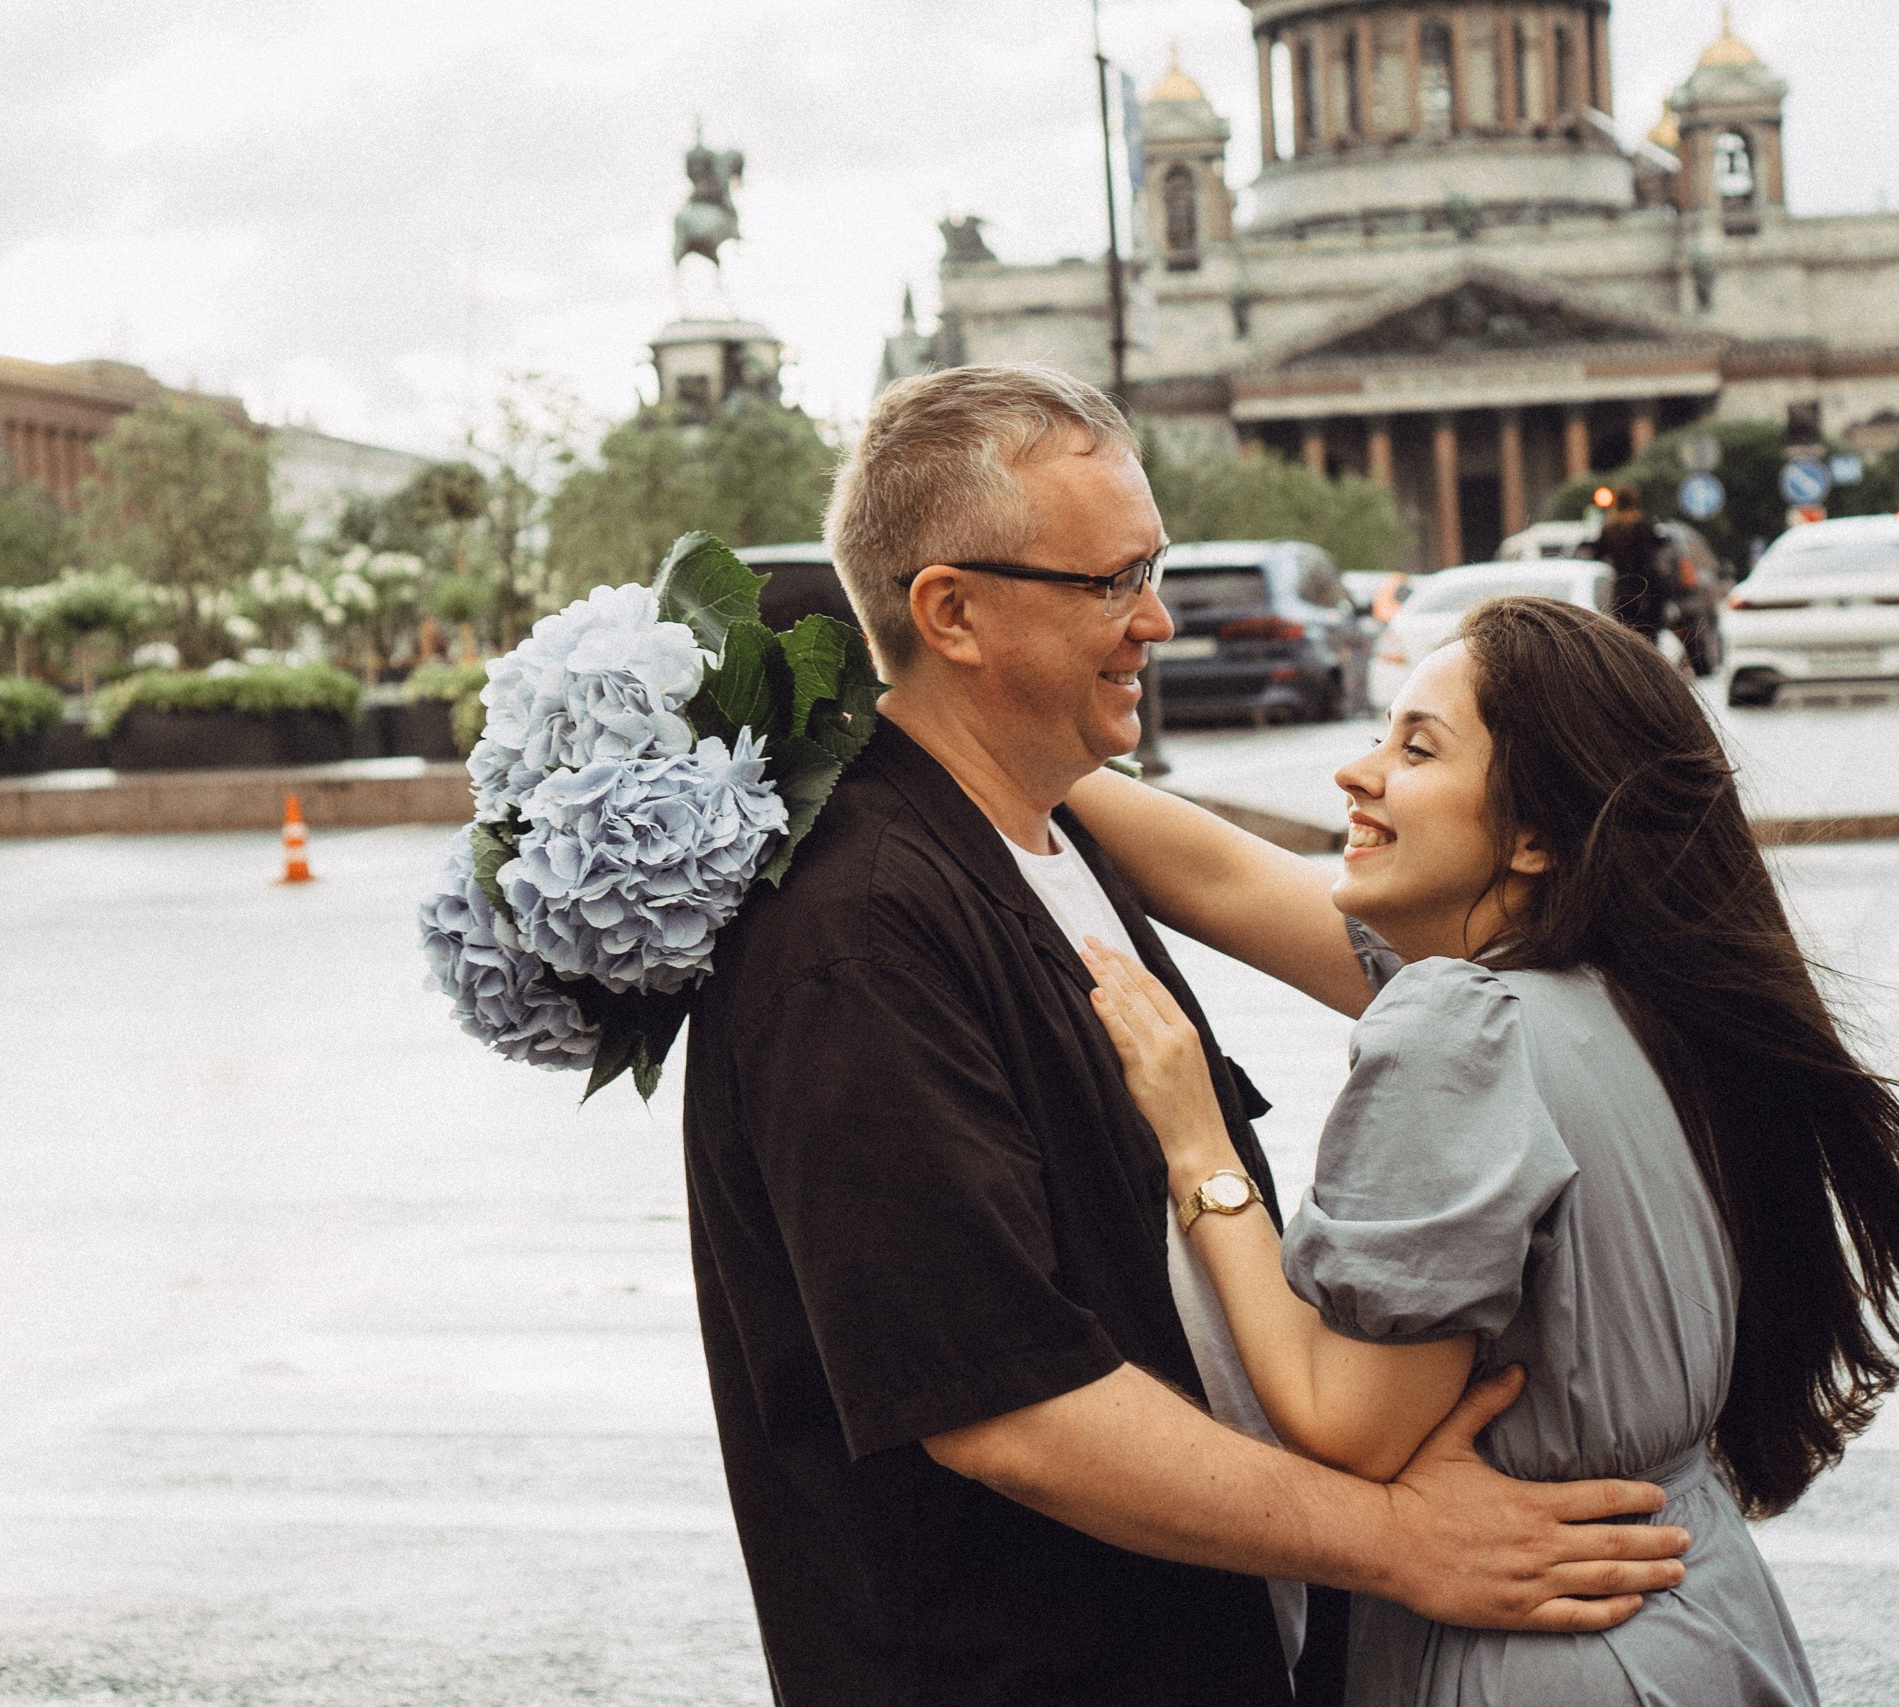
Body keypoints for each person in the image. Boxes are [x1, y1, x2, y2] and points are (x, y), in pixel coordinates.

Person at [680, 365, 1692, 1707]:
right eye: (1111, 581)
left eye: (1148, 568)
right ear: (951, 611)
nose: (1157, 617)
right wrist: (1398, 1541)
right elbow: (1006, 1407)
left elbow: (1237, 879)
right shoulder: (857, 935)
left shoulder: (1047, 831)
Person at [1066, 596, 1899, 1705]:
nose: (1356, 773)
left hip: (1539, 1651)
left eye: (1417, 749)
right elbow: (1224, 877)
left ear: (1538, 835)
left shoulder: (1460, 1028)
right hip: (1698, 1618)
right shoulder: (1639, 988)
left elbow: (1343, 1420)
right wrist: (1012, 750)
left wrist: (1197, 1144)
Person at [1594, 487, 1669, 645]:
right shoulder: (1644, 526)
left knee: (1627, 641)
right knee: (1649, 642)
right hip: (1646, 592)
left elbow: (1597, 554)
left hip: (1623, 592)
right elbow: (1653, 554)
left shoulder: (1609, 528)